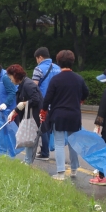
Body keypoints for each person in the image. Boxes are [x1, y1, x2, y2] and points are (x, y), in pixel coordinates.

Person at [41, 50, 88, 181]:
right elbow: (86, 92)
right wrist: (79, 101)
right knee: (73, 142)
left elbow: (48, 98)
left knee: (60, 143)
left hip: (59, 115)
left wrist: (43, 111)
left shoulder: (56, 79)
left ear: (59, 62)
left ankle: (60, 173)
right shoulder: (78, 78)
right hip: (74, 114)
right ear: (72, 62)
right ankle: (74, 169)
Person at [6, 63, 43, 165]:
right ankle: (28, 160)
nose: (11, 80)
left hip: (34, 116)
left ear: (16, 75)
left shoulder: (28, 85)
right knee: (29, 137)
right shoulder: (23, 85)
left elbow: (36, 99)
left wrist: (25, 103)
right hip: (29, 115)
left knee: (30, 137)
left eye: (11, 77)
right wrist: (15, 111)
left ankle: (28, 161)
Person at [32, 47, 61, 160]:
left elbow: (34, 87)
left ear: (40, 57)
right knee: (56, 129)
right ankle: (58, 153)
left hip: (43, 103)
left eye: (37, 59)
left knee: (43, 127)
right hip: (57, 104)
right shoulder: (58, 68)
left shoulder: (38, 69)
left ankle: (45, 152)